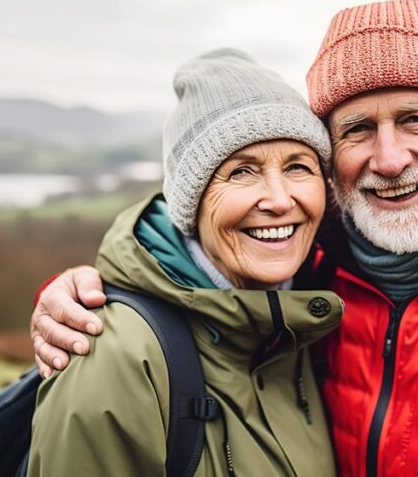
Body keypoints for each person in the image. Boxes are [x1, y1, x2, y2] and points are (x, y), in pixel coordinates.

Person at [31, 0, 418, 476]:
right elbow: (190, 279)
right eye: (357, 130)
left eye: (415, 120)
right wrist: (84, 296)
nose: (388, 158)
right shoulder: (311, 268)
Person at [27, 48, 343, 476]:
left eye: (298, 167)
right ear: (190, 205)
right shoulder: (115, 359)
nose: (279, 199)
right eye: (241, 172)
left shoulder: (307, 315)